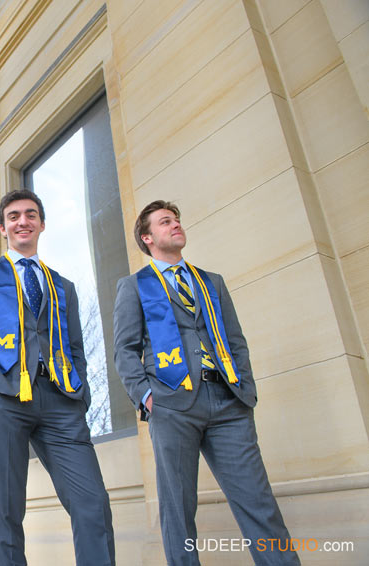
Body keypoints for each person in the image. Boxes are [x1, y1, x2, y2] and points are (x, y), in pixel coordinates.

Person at [112, 200, 299, 565]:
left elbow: (235, 340)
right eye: (165, 222)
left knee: (259, 502)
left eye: (177, 220)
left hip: (228, 402)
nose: (176, 225)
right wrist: (149, 398)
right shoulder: (133, 287)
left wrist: (245, 388)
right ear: (147, 237)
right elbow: (124, 350)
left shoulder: (211, 281)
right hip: (172, 405)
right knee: (178, 512)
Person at [0, 189, 115, 566]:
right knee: (6, 508)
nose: (21, 221)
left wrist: (81, 393)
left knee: (92, 503)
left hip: (61, 403)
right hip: (3, 397)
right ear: (2, 228)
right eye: (13, 216)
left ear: (41, 224)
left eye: (29, 215)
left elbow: (76, 347)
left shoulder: (63, 286)